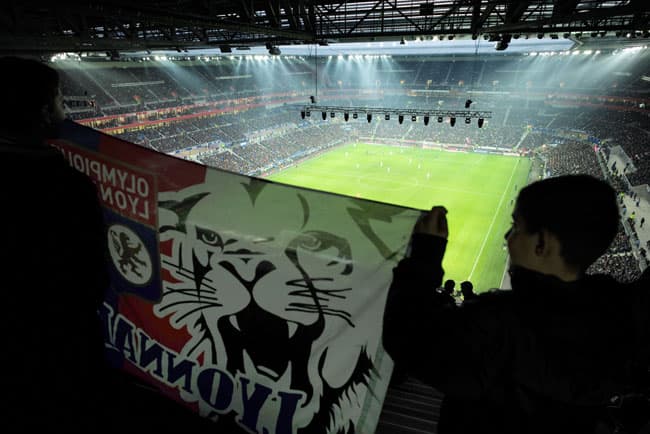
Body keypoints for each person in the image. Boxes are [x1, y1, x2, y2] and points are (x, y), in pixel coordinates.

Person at [383, 174, 650, 434]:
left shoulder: (498, 325)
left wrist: (425, 254)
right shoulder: (617, 322)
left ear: (542, 243)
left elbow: (408, 339)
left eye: (517, 227)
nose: (508, 237)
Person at [0, 56, 109, 431]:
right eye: (61, 99)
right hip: (61, 345)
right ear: (45, 111)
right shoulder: (66, 187)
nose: (65, 108)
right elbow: (92, 277)